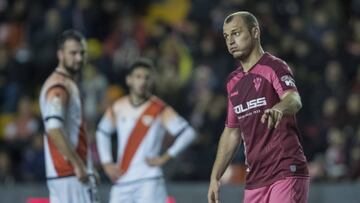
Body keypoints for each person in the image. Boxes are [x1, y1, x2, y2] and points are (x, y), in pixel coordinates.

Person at [207, 11, 309, 203]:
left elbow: (294, 99)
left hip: (285, 169)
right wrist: (215, 177)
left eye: (236, 33)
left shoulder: (274, 67)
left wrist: (278, 108)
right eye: (226, 36)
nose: (230, 41)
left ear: (255, 32)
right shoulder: (232, 82)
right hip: (255, 178)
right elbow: (231, 132)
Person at [96, 58, 197, 203]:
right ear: (129, 80)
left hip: (149, 180)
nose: (143, 81)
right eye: (138, 77)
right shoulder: (119, 106)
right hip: (122, 179)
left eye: (147, 78)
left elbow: (188, 134)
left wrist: (166, 157)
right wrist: (106, 163)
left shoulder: (159, 108)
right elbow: (102, 132)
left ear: (152, 81)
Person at [39, 29, 99, 203]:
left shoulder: (64, 83)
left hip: (64, 175)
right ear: (60, 54)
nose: (79, 58)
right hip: (71, 176)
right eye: (73, 53)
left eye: (82, 53)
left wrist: (87, 166)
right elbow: (53, 128)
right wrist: (78, 164)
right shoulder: (59, 86)